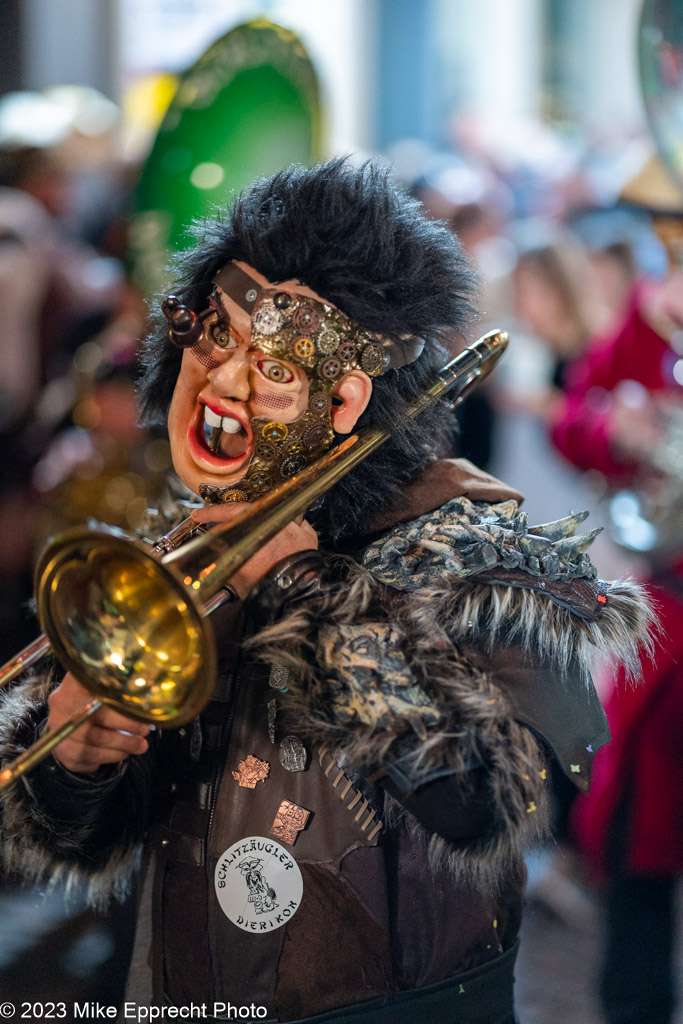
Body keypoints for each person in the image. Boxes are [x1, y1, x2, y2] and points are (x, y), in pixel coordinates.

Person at [0, 160, 652, 1024]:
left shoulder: (482, 557)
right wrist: (75, 764)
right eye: (215, 338)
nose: (225, 382)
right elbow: (93, 837)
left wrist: (303, 587)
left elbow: (479, 801)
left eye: (273, 363)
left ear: (347, 400)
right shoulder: (183, 547)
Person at [552, 155, 683, 1024]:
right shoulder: (650, 314)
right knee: (640, 838)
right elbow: (575, 417)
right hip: (670, 600)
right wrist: (616, 424)